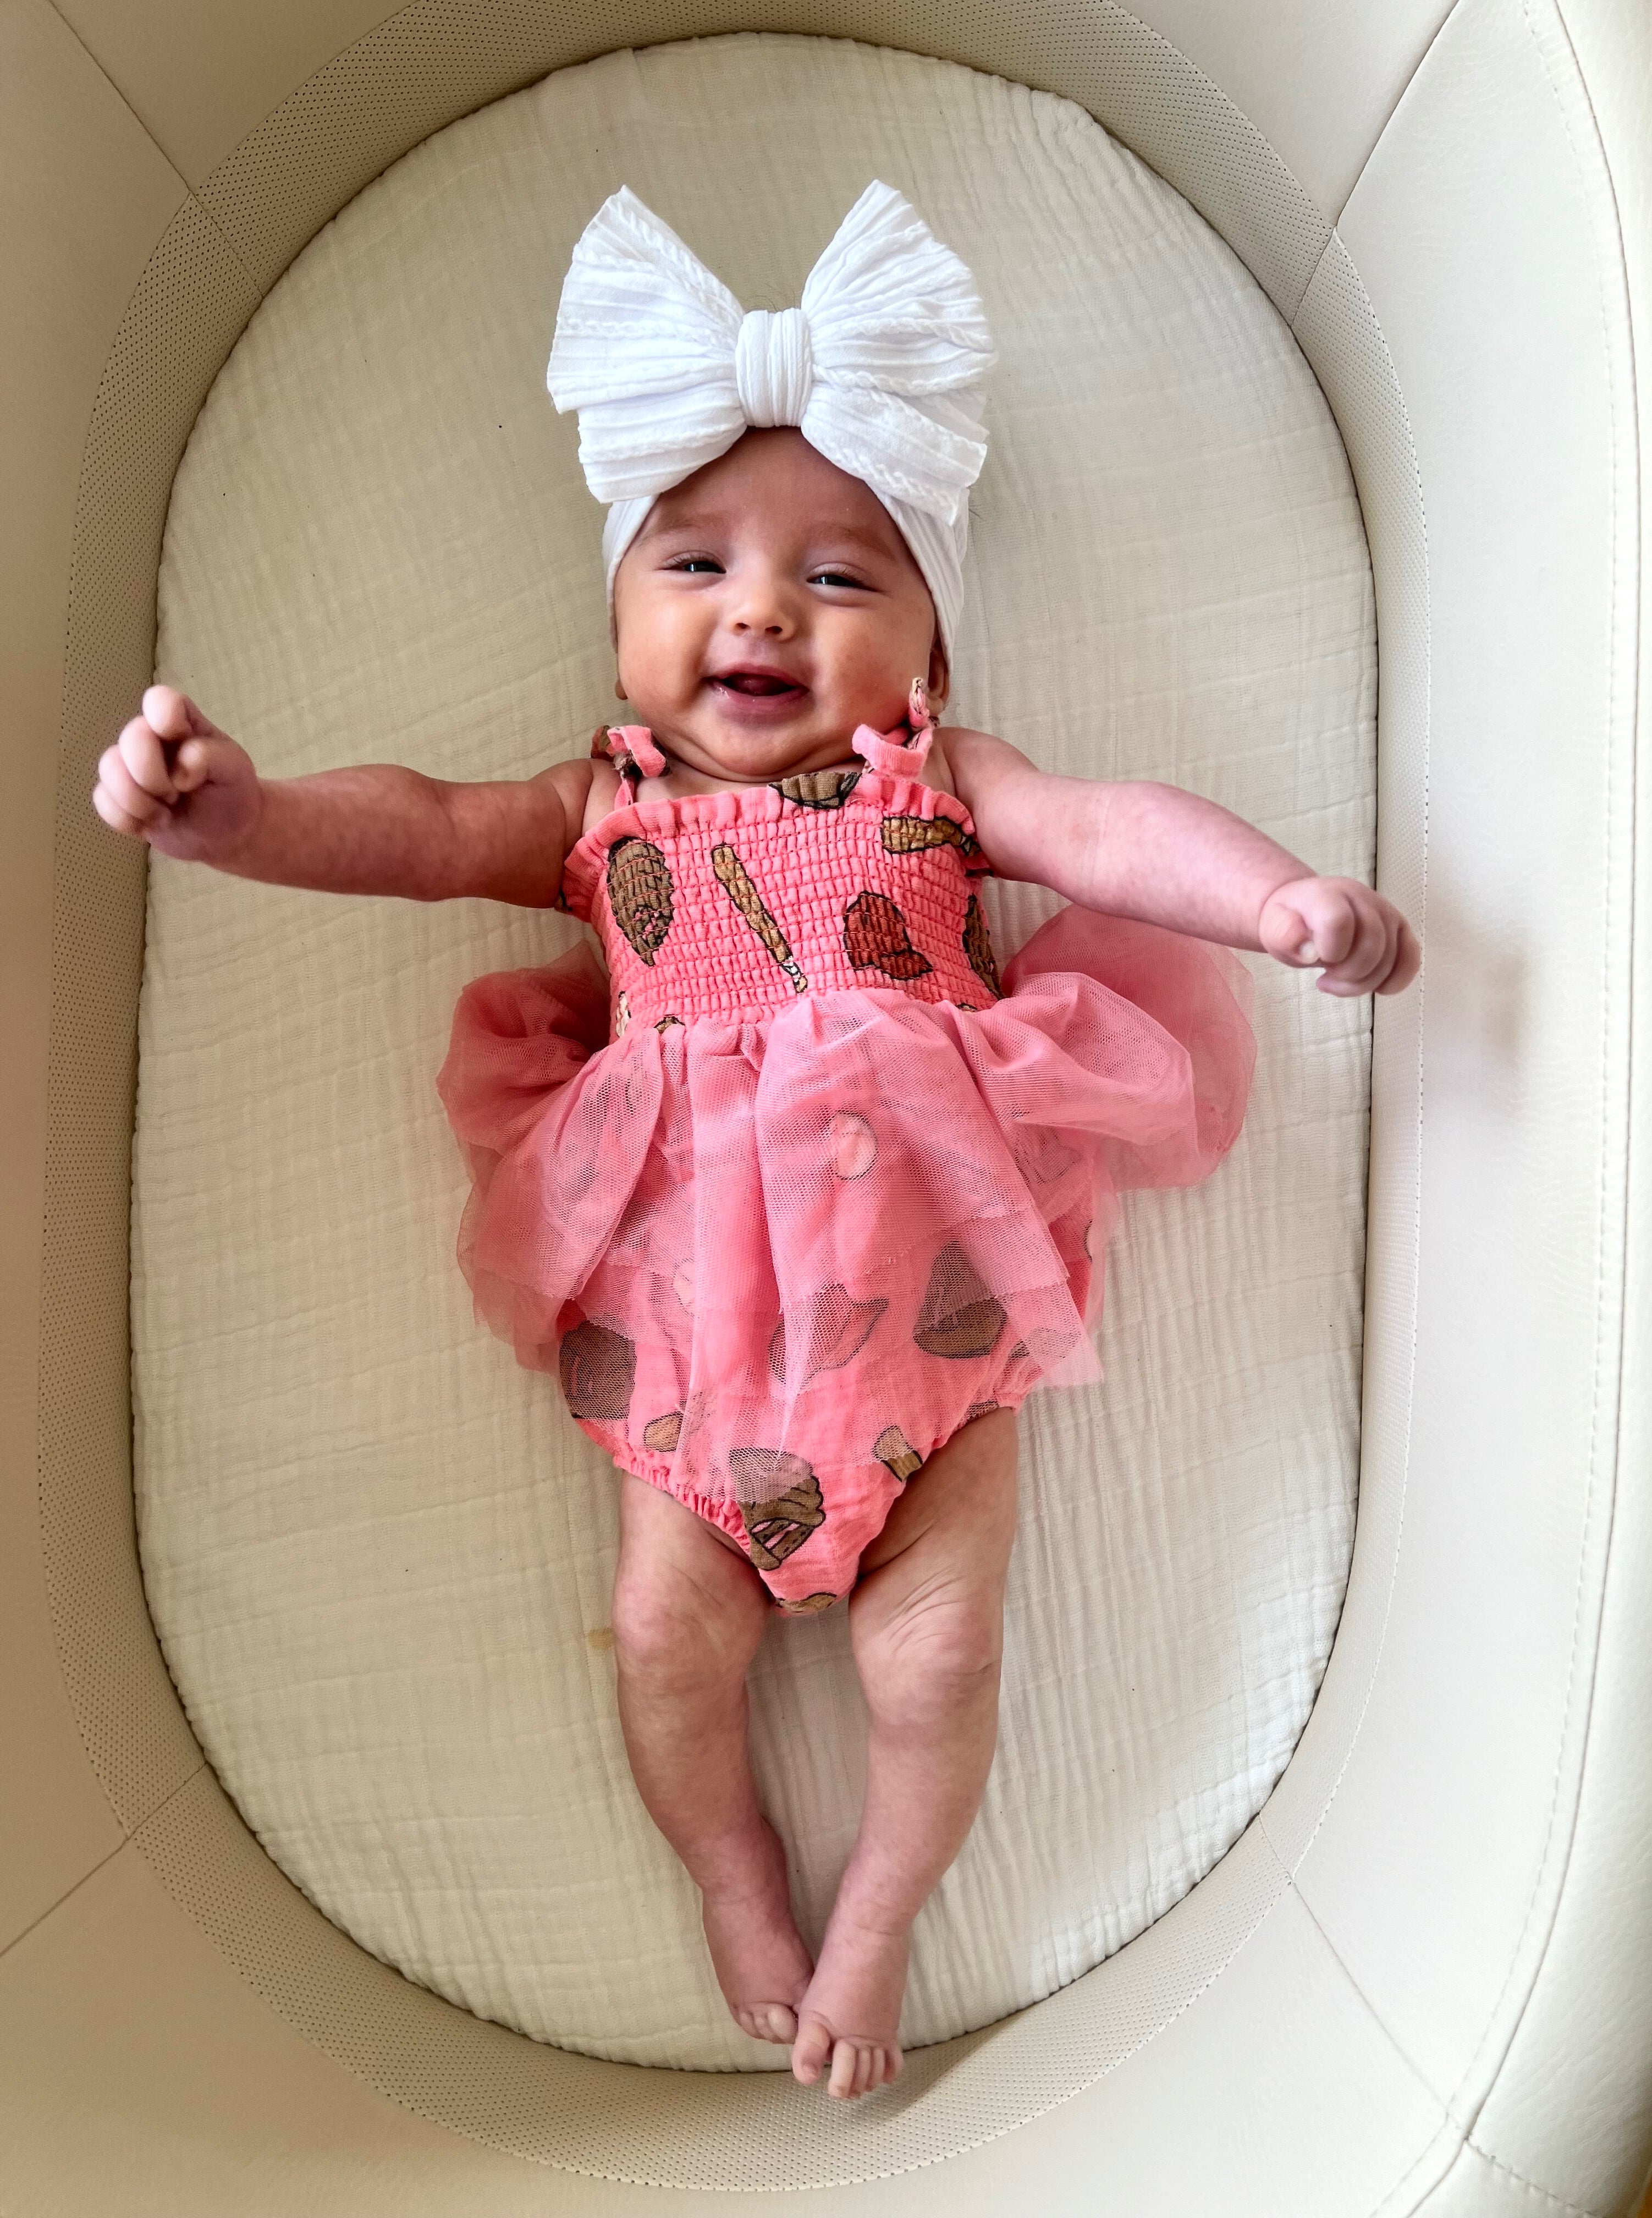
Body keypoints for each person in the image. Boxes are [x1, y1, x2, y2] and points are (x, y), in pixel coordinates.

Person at [92, 183, 1419, 2103]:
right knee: (662, 1635)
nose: (763, 609)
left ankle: (879, 1907)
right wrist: (249, 817)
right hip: (690, 1355)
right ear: (620, 616)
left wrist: (1277, 897)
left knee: (938, 1659)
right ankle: (731, 1873)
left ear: (930, 650)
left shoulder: (938, 785)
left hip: (937, 1326)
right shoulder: (598, 809)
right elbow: (422, 827)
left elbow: (1114, 830)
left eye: (842, 578)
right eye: (695, 562)